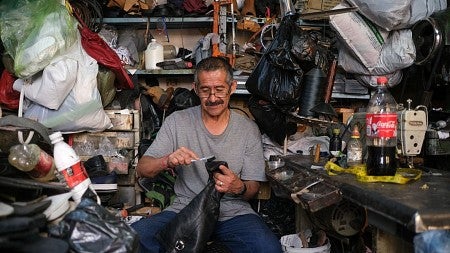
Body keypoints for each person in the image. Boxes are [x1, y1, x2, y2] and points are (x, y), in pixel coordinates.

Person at [131, 56, 282, 253]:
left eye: (219, 89)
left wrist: (238, 187)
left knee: (268, 248)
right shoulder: (177, 122)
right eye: (205, 90)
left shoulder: (248, 129)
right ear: (195, 88)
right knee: (133, 239)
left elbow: (252, 189)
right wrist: (166, 161)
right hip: (186, 210)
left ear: (232, 87)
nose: (212, 98)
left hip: (233, 213)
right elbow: (143, 168)